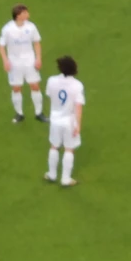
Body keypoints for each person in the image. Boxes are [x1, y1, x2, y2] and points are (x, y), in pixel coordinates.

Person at [43, 54, 86, 186]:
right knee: (69, 148)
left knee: (54, 146)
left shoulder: (51, 81)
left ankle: (51, 174)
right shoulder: (77, 85)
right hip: (69, 120)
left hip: (55, 119)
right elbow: (78, 107)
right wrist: (78, 125)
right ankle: (65, 179)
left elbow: (50, 96)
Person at [0, 5, 45, 122]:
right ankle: (19, 113)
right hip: (14, 63)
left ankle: (39, 113)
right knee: (16, 88)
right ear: (18, 15)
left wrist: (38, 58)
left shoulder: (31, 26)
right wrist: (5, 61)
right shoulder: (7, 29)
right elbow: (1, 46)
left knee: (35, 85)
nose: (27, 14)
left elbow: (37, 43)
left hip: (30, 60)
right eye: (25, 13)